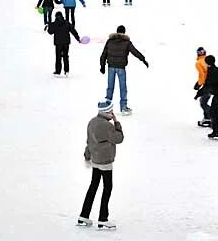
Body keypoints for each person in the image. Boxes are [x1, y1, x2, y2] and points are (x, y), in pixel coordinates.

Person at [78, 99, 123, 230]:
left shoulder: (92, 122)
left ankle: (84, 215)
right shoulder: (107, 126)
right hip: (105, 161)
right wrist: (117, 123)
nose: (113, 113)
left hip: (95, 160)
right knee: (107, 188)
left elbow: (89, 141)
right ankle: (103, 218)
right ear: (108, 112)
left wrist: (87, 155)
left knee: (93, 186)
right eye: (111, 111)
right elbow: (119, 138)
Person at [99, 25, 149, 115]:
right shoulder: (127, 42)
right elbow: (135, 52)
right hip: (121, 68)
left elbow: (104, 54)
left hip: (111, 67)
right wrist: (143, 59)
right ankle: (123, 107)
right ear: (124, 32)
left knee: (110, 87)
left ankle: (107, 106)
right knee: (123, 88)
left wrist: (102, 65)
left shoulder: (110, 41)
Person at [47, 12, 81, 76]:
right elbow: (73, 31)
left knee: (58, 57)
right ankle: (66, 71)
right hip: (66, 43)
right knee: (65, 56)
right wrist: (78, 38)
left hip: (58, 43)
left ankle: (58, 71)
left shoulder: (54, 24)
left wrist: (49, 26)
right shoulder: (67, 23)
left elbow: (50, 32)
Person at [194, 47, 211, 127]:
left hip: (207, 84)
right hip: (211, 83)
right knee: (203, 100)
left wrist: (199, 84)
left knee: (203, 102)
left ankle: (213, 116)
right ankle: (207, 118)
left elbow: (202, 75)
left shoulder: (199, 63)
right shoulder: (207, 60)